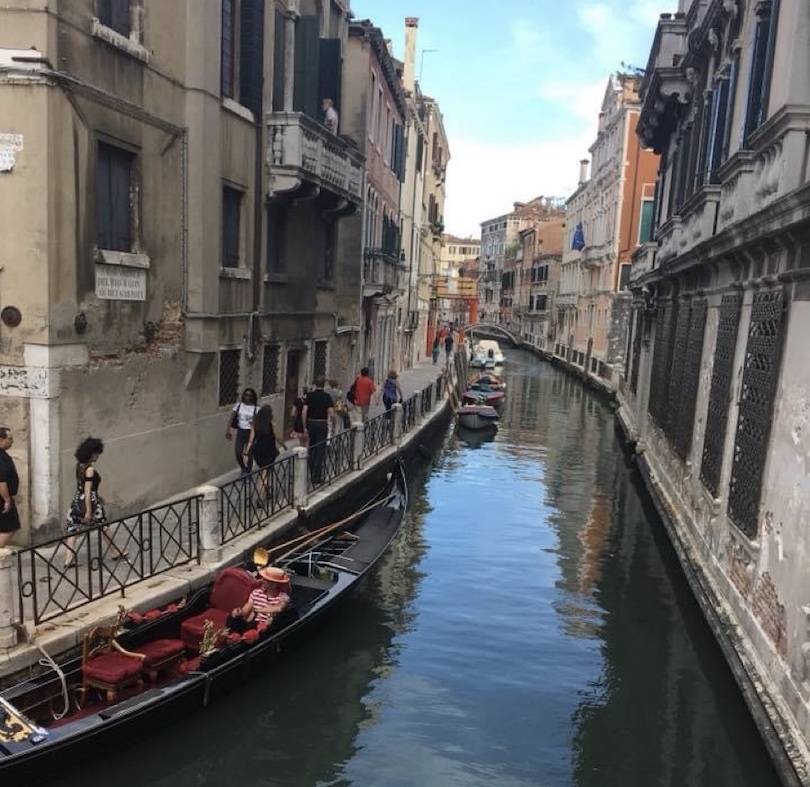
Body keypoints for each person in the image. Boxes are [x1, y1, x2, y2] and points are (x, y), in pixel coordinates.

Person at [64, 437, 126, 568]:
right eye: (97, 453)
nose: (98, 456)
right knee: (104, 527)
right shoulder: (89, 469)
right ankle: (115, 552)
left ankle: (68, 559)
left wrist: (99, 496)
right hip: (91, 504)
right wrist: (88, 510)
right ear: (91, 453)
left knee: (73, 529)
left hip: (76, 501)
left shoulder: (79, 465)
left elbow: (83, 488)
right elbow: (88, 491)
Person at [228, 565, 291, 632]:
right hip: (253, 624)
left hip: (268, 628)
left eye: (266, 580)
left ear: (275, 584)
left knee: (255, 625)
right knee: (231, 618)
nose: (263, 581)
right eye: (264, 579)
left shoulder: (283, 597)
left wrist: (256, 611)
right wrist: (238, 612)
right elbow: (244, 612)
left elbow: (279, 608)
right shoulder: (256, 593)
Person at [302, 376, 334, 485]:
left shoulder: (309, 396)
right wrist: (332, 426)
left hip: (311, 423)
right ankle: (317, 477)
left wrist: (305, 427)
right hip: (321, 424)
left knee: (312, 448)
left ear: (315, 384)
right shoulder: (326, 397)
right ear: (323, 385)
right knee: (320, 450)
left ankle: (312, 472)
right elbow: (332, 413)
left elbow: (304, 412)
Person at [226, 388, 259, 475]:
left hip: (250, 432)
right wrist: (228, 430)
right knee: (238, 452)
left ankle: (248, 471)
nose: (247, 397)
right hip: (241, 431)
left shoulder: (256, 408)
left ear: (252, 397)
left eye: (249, 395)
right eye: (245, 395)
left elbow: (257, 422)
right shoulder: (239, 405)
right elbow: (231, 418)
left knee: (249, 453)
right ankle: (243, 468)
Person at [0, 427, 20, 548]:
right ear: (1, 439)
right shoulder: (1, 457)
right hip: (2, 498)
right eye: (10, 438)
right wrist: (7, 500)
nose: (12, 441)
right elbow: (1, 480)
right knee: (10, 527)